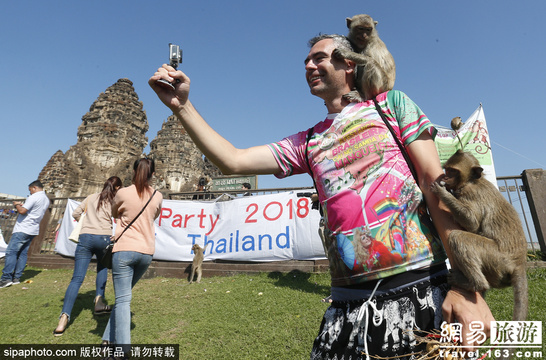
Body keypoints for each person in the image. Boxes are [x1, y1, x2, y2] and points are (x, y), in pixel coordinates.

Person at [149, 34, 494, 358]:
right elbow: (233, 160)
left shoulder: (391, 107)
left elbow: (434, 183)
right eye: (306, 62)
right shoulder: (309, 142)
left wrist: (466, 285)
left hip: (419, 289)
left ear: (349, 65)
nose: (309, 67)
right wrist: (182, 107)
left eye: (319, 58)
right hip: (345, 308)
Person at [101, 158, 162, 357]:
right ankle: (107, 339)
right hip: (146, 252)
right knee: (123, 298)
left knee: (123, 300)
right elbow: (153, 217)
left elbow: (114, 212)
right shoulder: (157, 196)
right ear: (152, 174)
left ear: (134, 172)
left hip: (125, 250)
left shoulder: (123, 193)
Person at [53, 176, 122, 336]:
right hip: (104, 237)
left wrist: (84, 222)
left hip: (85, 238)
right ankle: (99, 301)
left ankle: (63, 318)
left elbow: (76, 213)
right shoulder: (114, 200)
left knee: (77, 278)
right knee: (102, 267)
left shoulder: (91, 197)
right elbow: (119, 218)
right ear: (117, 188)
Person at [0, 180, 50, 288]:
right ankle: (16, 277)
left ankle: (6, 278)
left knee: (11, 252)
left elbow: (22, 211)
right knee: (22, 254)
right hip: (33, 229)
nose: (30, 192)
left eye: (30, 190)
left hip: (23, 228)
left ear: (34, 188)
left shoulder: (34, 197)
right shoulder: (46, 199)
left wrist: (17, 205)